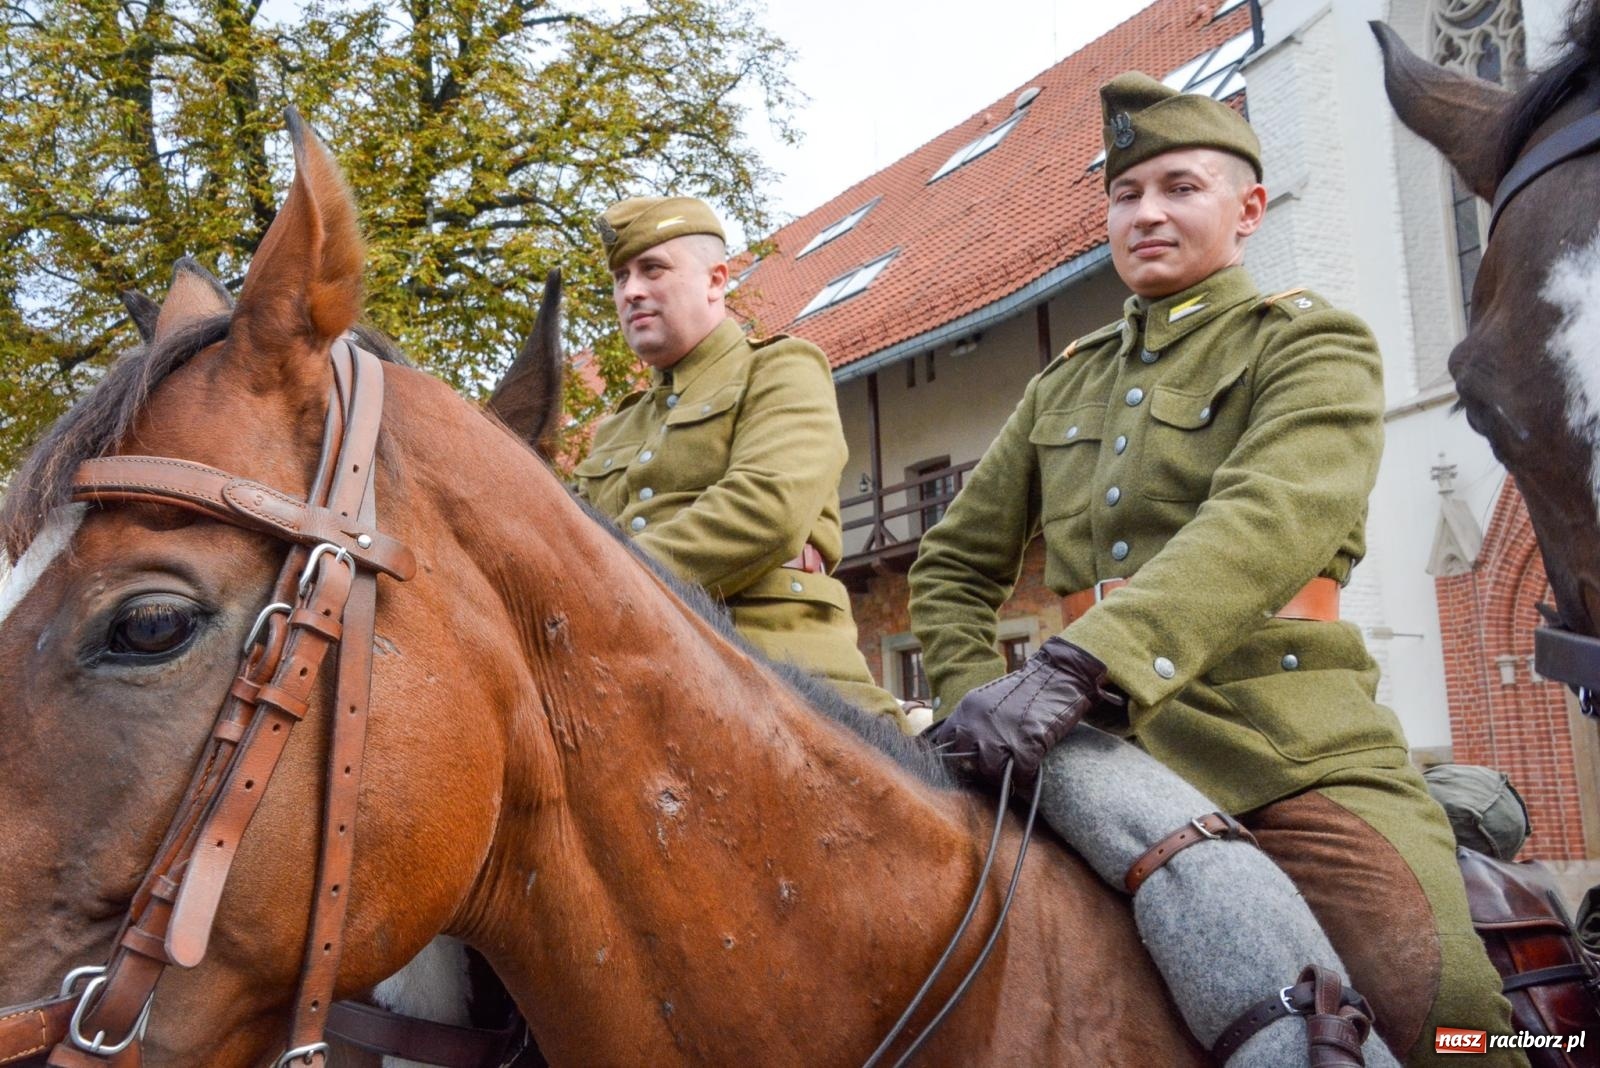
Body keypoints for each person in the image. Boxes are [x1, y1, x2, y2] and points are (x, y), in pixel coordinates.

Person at [908, 73, 1520, 1065]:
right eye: (1125, 194)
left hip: (1283, 747)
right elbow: (950, 568)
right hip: (1086, 756)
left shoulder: (1310, 342)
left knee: (1439, 1003)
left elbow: (1270, 514)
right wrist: (984, 705)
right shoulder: (1062, 384)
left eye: (1179, 188)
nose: (1145, 213)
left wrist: (1080, 664)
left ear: (1248, 210)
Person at [577, 195, 907, 727]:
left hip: (780, 664)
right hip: (632, 666)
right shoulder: (616, 426)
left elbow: (767, 509)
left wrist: (600, 576)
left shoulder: (781, 369)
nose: (631, 290)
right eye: (620, 278)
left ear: (716, 281)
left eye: (652, 269)